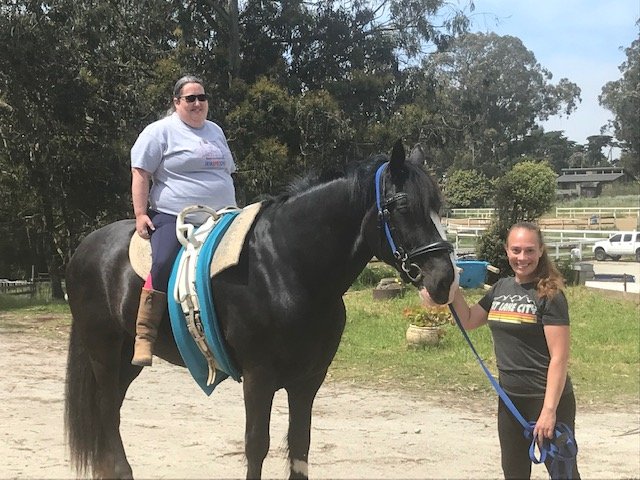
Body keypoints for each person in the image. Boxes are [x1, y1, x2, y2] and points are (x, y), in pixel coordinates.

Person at [422, 222, 580, 479]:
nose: (522, 257)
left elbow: (559, 358)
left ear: (541, 251)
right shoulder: (500, 288)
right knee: (514, 473)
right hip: (510, 401)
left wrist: (549, 411)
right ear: (507, 250)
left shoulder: (550, 295)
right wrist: (449, 290)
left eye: (529, 250)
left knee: (563, 473)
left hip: (546, 400)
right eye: (516, 250)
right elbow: (469, 319)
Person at [130, 75, 237, 366]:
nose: (197, 103)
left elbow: (226, 172)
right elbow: (140, 173)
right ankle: (144, 335)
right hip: (175, 217)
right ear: (176, 102)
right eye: (190, 98)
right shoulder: (159, 132)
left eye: (202, 97)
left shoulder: (215, 131)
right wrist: (140, 214)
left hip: (224, 216)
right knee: (163, 260)